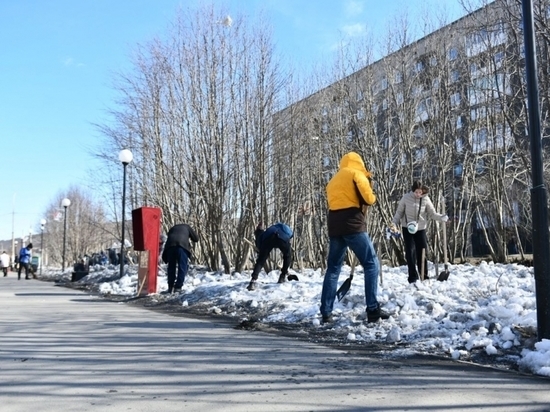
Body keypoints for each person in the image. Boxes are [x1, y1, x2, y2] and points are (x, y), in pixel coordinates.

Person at [320, 152, 388, 324]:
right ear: (359, 163)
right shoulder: (356, 174)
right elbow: (369, 199)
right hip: (353, 223)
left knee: (333, 268)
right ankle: (373, 309)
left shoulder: (333, 180)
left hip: (334, 224)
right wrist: (372, 192)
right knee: (371, 264)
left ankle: (326, 312)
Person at [391, 181, 448, 284]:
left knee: (422, 251)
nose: (418, 194)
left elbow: (432, 213)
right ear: (413, 191)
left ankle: (424, 275)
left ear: (423, 192)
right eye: (416, 192)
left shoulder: (425, 199)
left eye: (420, 192)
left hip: (420, 228)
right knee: (410, 252)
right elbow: (399, 212)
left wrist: (441, 217)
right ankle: (412, 277)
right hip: (407, 228)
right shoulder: (406, 198)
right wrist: (393, 223)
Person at [246, 222, 297, 291]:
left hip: (270, 238)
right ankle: (282, 276)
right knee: (287, 256)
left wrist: (262, 252)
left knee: (261, 260)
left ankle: (253, 281)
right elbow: (289, 238)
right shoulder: (284, 229)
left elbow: (259, 247)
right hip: (283, 237)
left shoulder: (263, 233)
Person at [161, 223, 199, 294]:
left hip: (170, 247)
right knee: (182, 266)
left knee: (171, 267)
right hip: (181, 246)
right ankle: (178, 287)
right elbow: (196, 239)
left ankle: (170, 287)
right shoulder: (187, 227)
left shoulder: (172, 228)